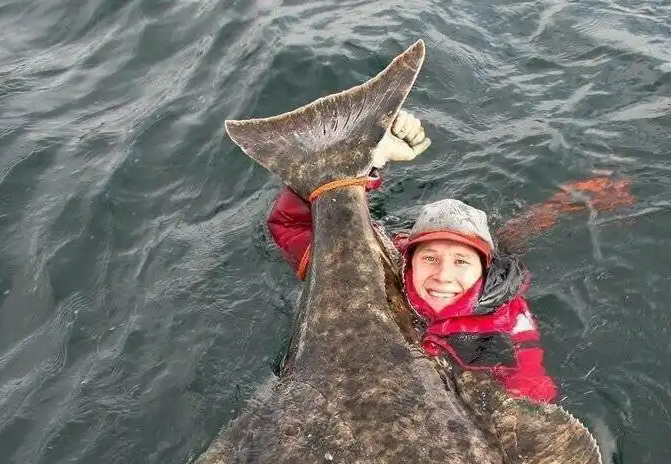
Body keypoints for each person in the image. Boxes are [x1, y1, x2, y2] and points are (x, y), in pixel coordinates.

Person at [267, 111, 634, 406]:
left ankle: (572, 199)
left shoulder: (502, 326)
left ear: (483, 269)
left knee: (512, 236)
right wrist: (369, 158)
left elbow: (530, 397)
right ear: (409, 260)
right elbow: (291, 224)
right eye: (430, 258)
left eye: (461, 261)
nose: (443, 276)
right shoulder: (377, 272)